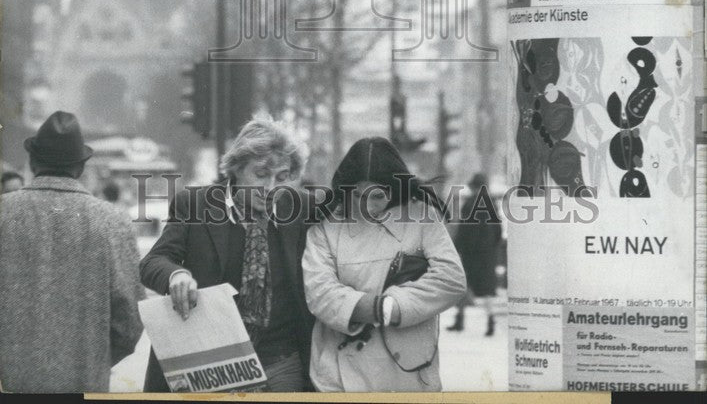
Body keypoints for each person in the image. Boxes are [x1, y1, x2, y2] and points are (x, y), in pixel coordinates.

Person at [140, 117, 314, 393]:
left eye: (281, 177)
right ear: (236, 168)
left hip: (282, 360)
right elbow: (152, 262)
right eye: (260, 174)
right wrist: (177, 274)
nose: (270, 189)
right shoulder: (195, 204)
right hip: (211, 360)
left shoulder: (302, 206)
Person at [302, 136, 466, 392]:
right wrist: (375, 308)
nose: (366, 206)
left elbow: (451, 279)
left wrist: (395, 305)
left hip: (409, 374)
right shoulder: (325, 228)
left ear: (394, 189)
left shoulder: (421, 217)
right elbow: (320, 292)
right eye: (356, 195)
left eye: (377, 196)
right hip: (339, 379)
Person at [0, 111, 144, 393]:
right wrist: (94, 359)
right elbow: (130, 320)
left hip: (13, 384)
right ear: (80, 167)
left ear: (33, 161)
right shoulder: (113, 221)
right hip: (86, 382)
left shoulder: (4, 213)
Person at [447, 172, 502, 336]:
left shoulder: (470, 203)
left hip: (471, 254)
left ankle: (460, 319)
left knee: (464, 285)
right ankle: (491, 321)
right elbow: (498, 229)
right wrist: (493, 247)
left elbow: (463, 230)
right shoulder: (492, 203)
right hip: (487, 254)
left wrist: (456, 249)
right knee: (487, 290)